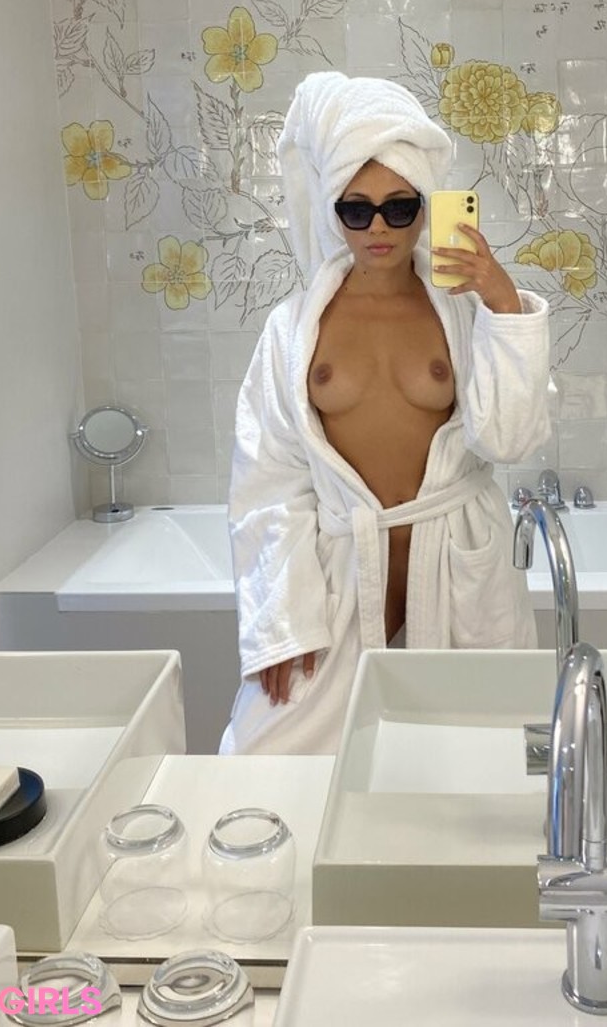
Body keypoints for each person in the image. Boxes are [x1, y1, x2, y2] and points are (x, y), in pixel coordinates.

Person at [218, 71, 551, 755]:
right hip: (339, 578)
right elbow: (269, 481)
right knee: (264, 756)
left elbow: (510, 440)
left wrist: (503, 304)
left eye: (400, 208)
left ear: (426, 209)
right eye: (356, 208)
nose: (378, 227)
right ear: (331, 210)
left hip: (455, 566)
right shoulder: (292, 329)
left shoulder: (463, 311)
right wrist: (281, 620)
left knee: (476, 767)